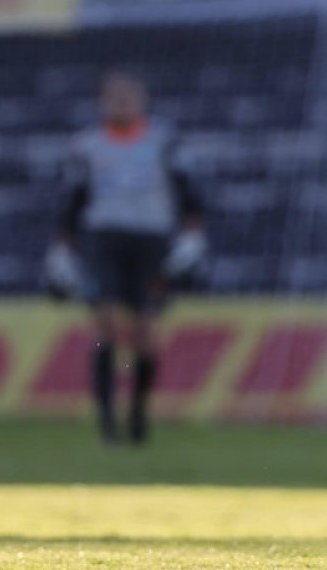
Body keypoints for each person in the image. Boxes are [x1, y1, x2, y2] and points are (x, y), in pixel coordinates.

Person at [47, 70, 207, 446]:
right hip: (102, 239)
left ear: (142, 101)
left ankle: (138, 410)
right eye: (114, 97)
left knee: (145, 331)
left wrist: (193, 236)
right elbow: (72, 200)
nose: (121, 104)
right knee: (105, 324)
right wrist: (62, 248)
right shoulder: (86, 146)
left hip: (150, 240)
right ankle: (107, 420)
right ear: (103, 102)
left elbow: (190, 192)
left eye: (128, 97)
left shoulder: (164, 142)